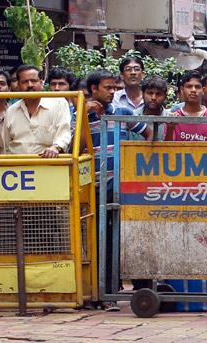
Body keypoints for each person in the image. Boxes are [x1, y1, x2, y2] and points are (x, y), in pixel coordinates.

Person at [85, 69, 150, 311]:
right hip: (94, 187)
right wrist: (83, 115)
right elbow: (72, 144)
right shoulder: (79, 114)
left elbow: (149, 132)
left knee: (123, 238)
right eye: (107, 88)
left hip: (122, 188)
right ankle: (105, 293)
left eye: (114, 88)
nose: (112, 92)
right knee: (99, 242)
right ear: (93, 89)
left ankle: (135, 289)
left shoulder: (124, 113)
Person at [3, 64, 71, 157]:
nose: (30, 85)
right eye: (25, 82)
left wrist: (55, 147)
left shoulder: (59, 103)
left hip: (50, 165)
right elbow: (6, 145)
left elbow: (64, 133)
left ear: (41, 82)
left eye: (34, 81)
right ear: (18, 85)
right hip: (18, 168)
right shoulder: (11, 111)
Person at [165, 70, 207, 142]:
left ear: (203, 90)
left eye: (197, 87)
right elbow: (167, 149)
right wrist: (170, 128)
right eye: (189, 86)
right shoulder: (174, 117)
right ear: (182, 89)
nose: (193, 90)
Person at [131, 75, 170, 141]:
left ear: (165, 96)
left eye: (158, 94)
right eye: (150, 93)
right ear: (142, 93)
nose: (153, 98)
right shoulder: (133, 116)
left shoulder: (170, 119)